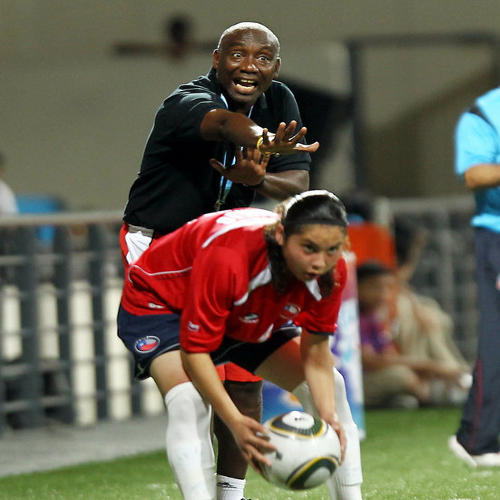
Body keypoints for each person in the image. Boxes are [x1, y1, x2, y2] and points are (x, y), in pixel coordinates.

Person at [120, 21, 319, 500]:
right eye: (236, 54)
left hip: (228, 253)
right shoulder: (186, 100)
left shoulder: (281, 101)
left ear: (275, 66)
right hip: (160, 253)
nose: (248, 66)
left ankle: (231, 494)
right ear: (215, 59)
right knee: (190, 395)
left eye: (261, 57)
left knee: (245, 386)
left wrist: (258, 177)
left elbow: (295, 187)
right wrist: (260, 141)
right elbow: (224, 125)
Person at [118, 190, 363, 500]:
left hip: (242, 307)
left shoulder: (331, 270)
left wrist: (327, 418)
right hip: (161, 303)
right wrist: (235, 422)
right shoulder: (229, 257)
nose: (319, 262)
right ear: (280, 234)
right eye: (309, 248)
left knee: (334, 387)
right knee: (188, 402)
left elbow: (315, 353)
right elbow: (196, 353)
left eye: (331, 250)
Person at [448, 88, 500, 467]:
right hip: (497, 234)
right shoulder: (485, 111)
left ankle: (475, 435)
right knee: (497, 337)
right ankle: (477, 438)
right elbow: (477, 173)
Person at [357, 261, 467, 409]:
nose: (382, 294)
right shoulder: (353, 319)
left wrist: (425, 368)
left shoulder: (374, 318)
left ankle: (454, 384)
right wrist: (428, 366)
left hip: (379, 379)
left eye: (388, 288)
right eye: (374, 287)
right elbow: (371, 362)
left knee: (406, 382)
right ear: (356, 287)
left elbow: (388, 356)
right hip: (358, 384)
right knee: (401, 375)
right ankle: (439, 396)